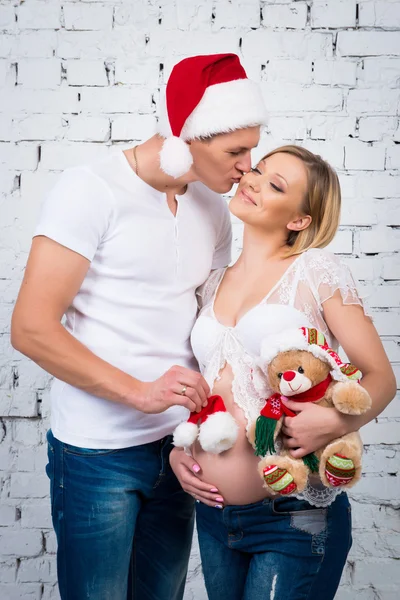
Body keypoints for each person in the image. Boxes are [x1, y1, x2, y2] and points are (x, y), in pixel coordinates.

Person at [10, 53, 267, 600]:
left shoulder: (213, 209)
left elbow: (210, 330)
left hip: (178, 450)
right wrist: (139, 393)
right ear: (188, 138)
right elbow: (31, 327)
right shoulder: (90, 190)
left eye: (253, 147)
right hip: (96, 452)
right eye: (236, 151)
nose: (250, 166)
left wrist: (200, 431)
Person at [170, 145, 396, 600]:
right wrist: (181, 453)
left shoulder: (317, 272)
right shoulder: (212, 280)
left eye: (275, 185)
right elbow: (205, 387)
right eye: (257, 170)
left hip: (292, 517)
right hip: (215, 520)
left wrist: (336, 421)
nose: (251, 180)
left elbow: (382, 378)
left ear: (299, 220)